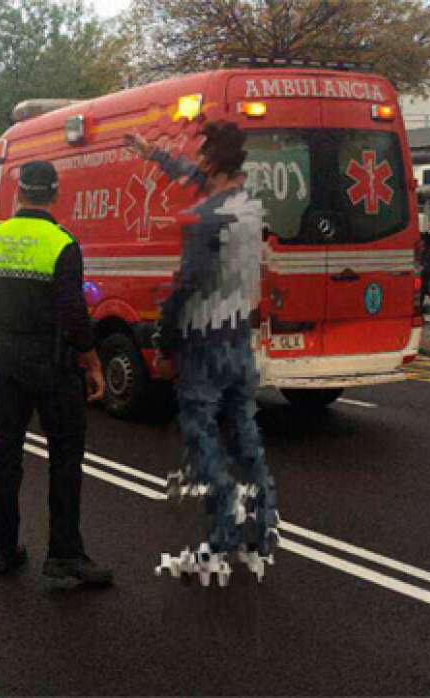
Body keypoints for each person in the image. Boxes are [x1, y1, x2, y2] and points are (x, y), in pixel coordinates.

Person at [125, 122, 279, 579]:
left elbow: (188, 282)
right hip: (238, 337)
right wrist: (152, 152)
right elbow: (196, 176)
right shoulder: (250, 207)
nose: (197, 163)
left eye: (202, 156)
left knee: (202, 436)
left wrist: (164, 331)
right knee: (246, 435)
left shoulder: (204, 219)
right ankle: (262, 532)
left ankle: (219, 541)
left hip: (204, 339)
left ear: (212, 161)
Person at [0, 160, 111, 584]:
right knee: (65, 458)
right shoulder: (61, 244)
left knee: (6, 454)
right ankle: (65, 557)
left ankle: (2, 551)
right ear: (54, 194)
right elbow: (73, 312)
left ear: (18, 194)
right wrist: (91, 361)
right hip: (50, 364)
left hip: (3, 361)